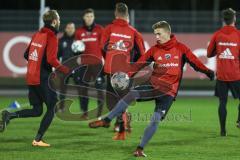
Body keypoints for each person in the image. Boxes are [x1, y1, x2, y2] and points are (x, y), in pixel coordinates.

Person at [89, 21, 214, 157]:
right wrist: (127, 76)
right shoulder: (154, 49)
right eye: (155, 34)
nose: (157, 37)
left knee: (155, 119)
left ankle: (140, 149)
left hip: (168, 93)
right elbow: (139, 64)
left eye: (159, 34)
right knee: (132, 94)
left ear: (167, 33)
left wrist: (209, 72)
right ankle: (107, 120)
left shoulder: (181, 49)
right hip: (153, 86)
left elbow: (195, 62)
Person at [0, 10, 69, 147]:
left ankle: (10, 115)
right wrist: (66, 70)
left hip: (31, 77)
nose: (60, 22)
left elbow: (26, 54)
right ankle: (38, 139)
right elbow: (51, 60)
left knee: (37, 111)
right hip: (42, 78)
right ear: (54, 21)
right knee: (53, 107)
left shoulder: (37, 34)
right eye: (59, 20)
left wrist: (36, 64)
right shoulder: (52, 37)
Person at [99, 2, 145, 139]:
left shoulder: (108, 29)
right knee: (120, 100)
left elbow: (102, 47)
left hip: (112, 71)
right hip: (125, 72)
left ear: (115, 13)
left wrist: (108, 60)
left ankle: (122, 126)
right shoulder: (134, 32)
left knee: (112, 101)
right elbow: (143, 54)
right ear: (127, 15)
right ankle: (123, 122)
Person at [207, 8, 240, 136]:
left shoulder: (217, 34)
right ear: (234, 19)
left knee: (222, 102)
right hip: (236, 74)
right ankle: (239, 120)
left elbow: (209, 54)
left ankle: (222, 131)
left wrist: (220, 50)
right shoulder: (238, 35)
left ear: (223, 20)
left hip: (221, 75)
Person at [75, 8, 105, 119]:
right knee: (83, 90)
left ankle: (100, 112)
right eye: (87, 16)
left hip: (97, 64)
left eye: (91, 16)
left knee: (100, 88)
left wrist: (104, 59)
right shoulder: (78, 32)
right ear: (83, 17)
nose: (89, 18)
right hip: (84, 65)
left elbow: (103, 47)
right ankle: (84, 112)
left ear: (94, 17)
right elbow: (76, 48)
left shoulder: (100, 30)